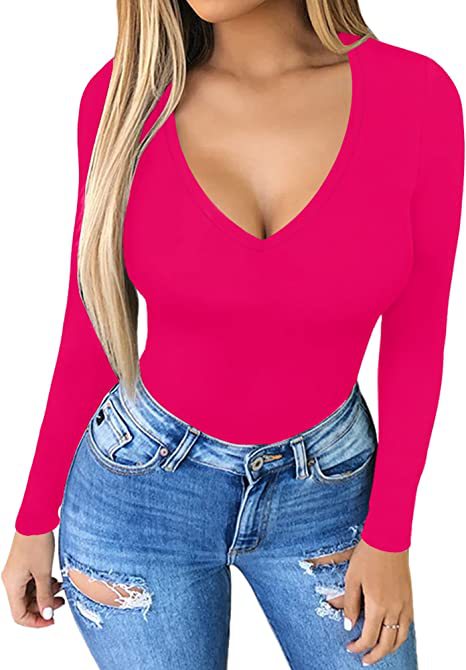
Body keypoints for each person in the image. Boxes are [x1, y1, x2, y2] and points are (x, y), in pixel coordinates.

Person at [2, 1, 464, 668]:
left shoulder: (416, 96)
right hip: (137, 493)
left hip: (327, 492)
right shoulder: (124, 101)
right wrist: (33, 519)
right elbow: (94, 329)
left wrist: (391, 535)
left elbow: (417, 339)